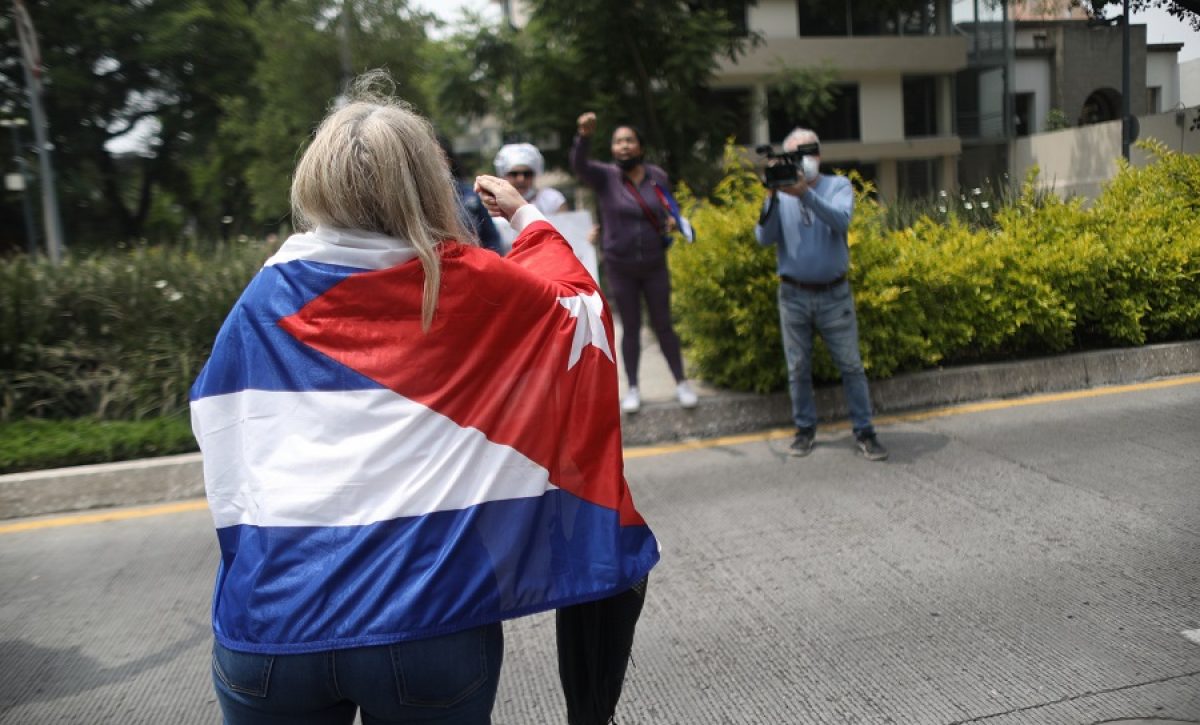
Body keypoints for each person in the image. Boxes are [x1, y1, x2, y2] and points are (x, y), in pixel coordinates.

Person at [189, 72, 659, 725]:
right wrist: (525, 213)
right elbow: (577, 308)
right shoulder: (460, 282)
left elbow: (222, 430)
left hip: (269, 621)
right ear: (426, 183)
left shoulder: (265, 294)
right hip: (426, 625)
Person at [754, 127, 888, 461]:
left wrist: (806, 195)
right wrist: (771, 194)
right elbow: (763, 237)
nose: (803, 162)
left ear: (818, 155)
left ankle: (864, 431)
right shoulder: (780, 193)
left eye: (807, 153)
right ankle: (804, 430)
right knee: (797, 368)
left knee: (851, 366)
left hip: (834, 294)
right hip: (793, 295)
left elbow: (841, 221)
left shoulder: (837, 186)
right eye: (794, 156)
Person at [570, 111, 697, 414]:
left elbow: (667, 207)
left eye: (629, 140)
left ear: (640, 147)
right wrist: (584, 137)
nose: (624, 146)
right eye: (618, 142)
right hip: (620, 266)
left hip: (654, 264)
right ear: (613, 149)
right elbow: (579, 165)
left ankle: (681, 383)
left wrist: (672, 223)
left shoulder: (657, 176)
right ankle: (634, 389)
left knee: (664, 325)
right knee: (630, 327)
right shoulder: (605, 177)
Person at [438, 134, 503, 254]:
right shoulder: (415, 199)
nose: (438, 163)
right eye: (432, 158)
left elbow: (490, 237)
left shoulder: (470, 195)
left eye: (441, 157)